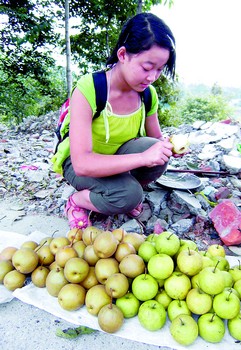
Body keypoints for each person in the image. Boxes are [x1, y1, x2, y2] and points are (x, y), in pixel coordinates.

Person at [52, 12, 176, 230]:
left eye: (159, 70)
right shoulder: (90, 89)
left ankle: (117, 192)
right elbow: (82, 164)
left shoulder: (148, 95)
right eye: (147, 67)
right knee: (129, 195)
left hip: (117, 158)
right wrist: (142, 158)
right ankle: (77, 202)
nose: (152, 77)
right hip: (79, 163)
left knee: (158, 152)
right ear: (123, 54)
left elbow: (156, 139)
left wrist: (169, 147)